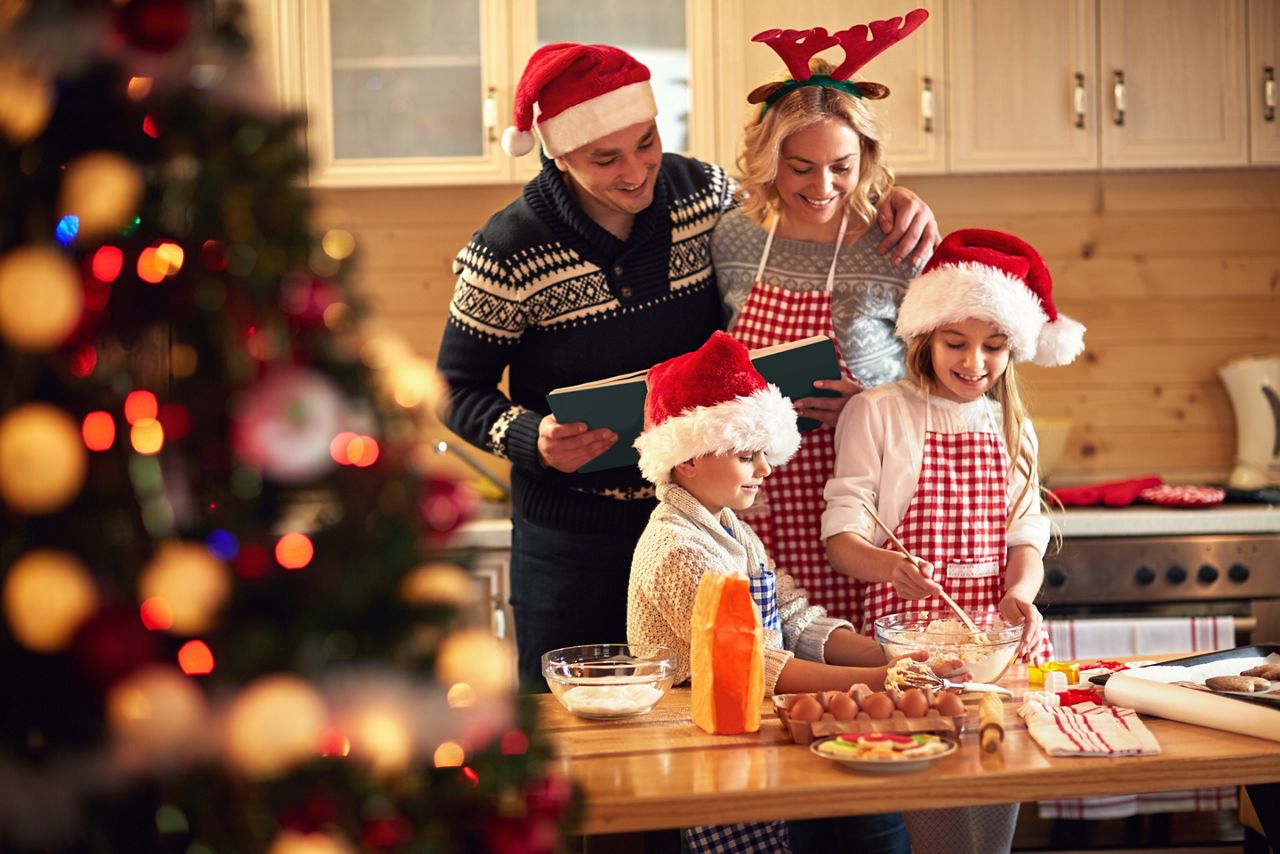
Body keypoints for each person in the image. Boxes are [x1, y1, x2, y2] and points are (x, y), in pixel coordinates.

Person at [437, 41, 938, 690]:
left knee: (709, 713)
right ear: (557, 154)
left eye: (646, 142)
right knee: (577, 731)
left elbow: (802, 205)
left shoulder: (702, 194)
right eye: (605, 157)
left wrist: (892, 197)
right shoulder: (505, 250)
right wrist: (533, 438)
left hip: (707, 521)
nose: (636, 170)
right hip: (575, 539)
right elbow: (452, 390)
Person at [822, 228, 1087, 854]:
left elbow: (1026, 534)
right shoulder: (879, 412)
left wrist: (1020, 593)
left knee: (994, 802)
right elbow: (842, 538)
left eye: (994, 347)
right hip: (911, 648)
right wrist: (891, 567)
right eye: (956, 343)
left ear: (1014, 348)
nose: (974, 363)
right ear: (926, 337)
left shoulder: (1012, 425)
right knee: (934, 810)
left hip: (1000, 642)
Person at [627, 330, 926, 854]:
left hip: (752, 721)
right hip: (697, 742)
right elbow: (751, 665)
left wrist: (896, 655)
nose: (766, 469)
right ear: (689, 458)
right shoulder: (677, 548)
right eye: (748, 456)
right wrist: (881, 679)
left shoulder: (732, 530)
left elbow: (792, 619)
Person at [713, 12, 939, 629]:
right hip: (756, 496)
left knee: (866, 663)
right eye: (800, 167)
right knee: (772, 652)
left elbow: (948, 386)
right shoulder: (732, 237)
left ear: (866, 157)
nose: (823, 185)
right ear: (768, 160)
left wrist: (873, 408)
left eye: (842, 165)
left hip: (862, 494)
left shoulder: (898, 244)